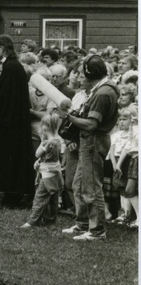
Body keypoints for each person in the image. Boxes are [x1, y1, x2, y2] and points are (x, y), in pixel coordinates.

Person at [57, 55, 119, 240]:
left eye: (82, 72)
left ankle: (97, 230)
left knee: (91, 187)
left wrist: (68, 117)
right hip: (92, 140)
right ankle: (83, 223)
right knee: (79, 184)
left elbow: (91, 124)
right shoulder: (105, 89)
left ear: (90, 73)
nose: (79, 76)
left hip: (93, 141)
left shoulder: (101, 94)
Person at [0, 34, 35, 206]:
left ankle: (11, 195)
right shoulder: (12, 66)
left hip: (10, 124)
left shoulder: (11, 67)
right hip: (13, 121)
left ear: (2, 48)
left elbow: (4, 96)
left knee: (9, 158)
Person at [21, 112, 66, 228]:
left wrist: (41, 141)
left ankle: (33, 221)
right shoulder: (59, 141)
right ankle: (50, 220)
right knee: (53, 198)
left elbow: (37, 154)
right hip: (56, 173)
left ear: (46, 128)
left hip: (46, 174)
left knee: (39, 197)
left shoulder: (47, 142)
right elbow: (55, 157)